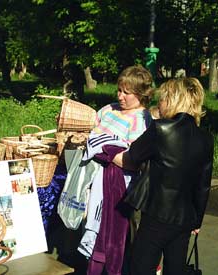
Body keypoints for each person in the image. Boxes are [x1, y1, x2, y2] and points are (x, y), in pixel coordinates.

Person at [113, 77, 214, 275]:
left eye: (162, 98)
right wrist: (197, 222)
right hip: (186, 218)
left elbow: (132, 157)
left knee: (140, 268)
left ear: (172, 99)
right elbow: (203, 184)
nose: (159, 103)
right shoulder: (206, 138)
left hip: (157, 216)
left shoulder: (160, 129)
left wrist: (106, 151)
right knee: (175, 269)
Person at [73, 65, 154, 275]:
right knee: (90, 229)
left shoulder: (142, 120)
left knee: (113, 237)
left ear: (142, 93)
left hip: (118, 188)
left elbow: (133, 162)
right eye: (119, 90)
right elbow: (90, 133)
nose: (121, 96)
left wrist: (101, 149)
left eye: (127, 92)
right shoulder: (108, 109)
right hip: (91, 179)